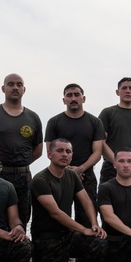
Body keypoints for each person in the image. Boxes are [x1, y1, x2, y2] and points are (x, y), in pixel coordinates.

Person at [29, 139, 108, 262]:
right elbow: (55, 213)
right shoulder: (40, 179)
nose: (64, 155)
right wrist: (82, 229)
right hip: (46, 239)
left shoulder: (72, 175)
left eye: (68, 151)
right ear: (49, 154)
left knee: (97, 242)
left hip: (67, 236)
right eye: (60, 151)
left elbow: (86, 201)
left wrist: (94, 224)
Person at [0, 74, 43, 227]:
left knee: (21, 220)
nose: (15, 87)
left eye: (19, 84)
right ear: (3, 88)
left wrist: (21, 163)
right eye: (11, 84)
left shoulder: (33, 117)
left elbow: (38, 149)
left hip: (23, 178)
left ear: (24, 89)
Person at [44, 84, 105, 226]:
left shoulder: (95, 122)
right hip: (59, 176)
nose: (73, 98)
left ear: (83, 98)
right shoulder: (54, 122)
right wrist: (69, 171)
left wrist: (80, 169)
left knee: (87, 220)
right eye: (69, 95)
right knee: (58, 219)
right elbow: (50, 151)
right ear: (63, 100)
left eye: (77, 95)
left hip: (86, 176)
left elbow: (98, 152)